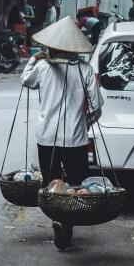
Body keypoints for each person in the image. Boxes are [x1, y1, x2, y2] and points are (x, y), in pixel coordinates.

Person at [21, 16, 103, 250]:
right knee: (75, 186)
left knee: (52, 184)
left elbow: (25, 80)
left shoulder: (43, 67)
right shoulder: (85, 69)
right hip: (76, 140)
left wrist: (33, 59)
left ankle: (58, 219)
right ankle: (67, 224)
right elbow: (97, 105)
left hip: (47, 138)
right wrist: (83, 123)